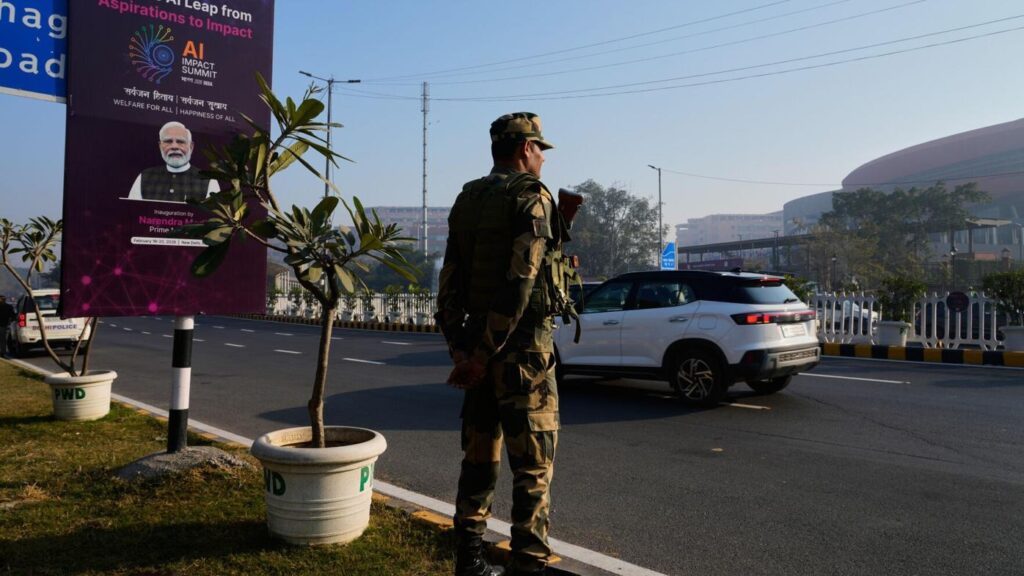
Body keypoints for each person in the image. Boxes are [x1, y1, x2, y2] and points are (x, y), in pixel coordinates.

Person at [437, 112, 572, 576]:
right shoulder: (532, 198)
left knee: (478, 460)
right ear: (523, 149)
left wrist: (462, 349)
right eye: (539, 150)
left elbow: (449, 279)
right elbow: (520, 284)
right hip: (522, 353)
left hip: (476, 345)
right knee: (532, 470)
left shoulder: (468, 197)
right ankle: (528, 565)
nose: (541, 159)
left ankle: (468, 561)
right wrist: (481, 353)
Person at [125, 121, 219, 202]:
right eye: (168, 141)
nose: (174, 146)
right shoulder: (144, 176)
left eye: (180, 142)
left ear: (191, 146)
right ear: (160, 146)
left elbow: (215, 220)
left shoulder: (208, 180)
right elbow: (132, 214)